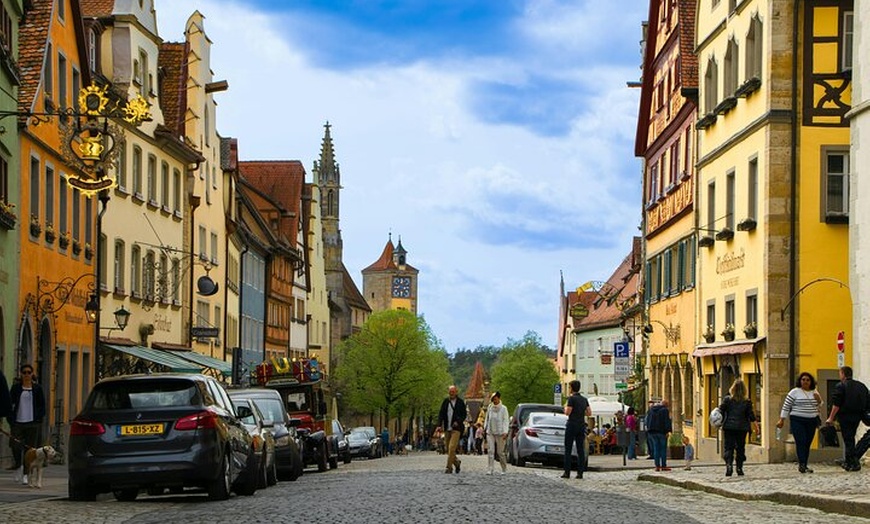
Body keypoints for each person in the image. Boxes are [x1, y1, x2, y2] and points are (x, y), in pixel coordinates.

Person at [825, 366, 870, 472]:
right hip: (858, 416)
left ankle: (853, 463)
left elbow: (836, 404)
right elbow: (868, 401)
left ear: (843, 374)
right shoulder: (861, 386)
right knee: (851, 438)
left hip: (845, 416)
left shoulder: (841, 386)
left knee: (848, 439)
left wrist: (830, 418)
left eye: (840, 373)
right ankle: (849, 462)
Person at [777, 372, 823, 473]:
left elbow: (819, 405)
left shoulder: (814, 392)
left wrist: (819, 400)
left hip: (811, 420)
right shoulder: (794, 392)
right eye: (803, 380)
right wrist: (782, 419)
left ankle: (805, 464)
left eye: (807, 380)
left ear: (811, 382)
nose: (805, 382)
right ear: (800, 381)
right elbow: (786, 406)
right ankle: (802, 464)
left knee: (807, 442)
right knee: (801, 441)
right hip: (797, 420)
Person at [9, 364, 46, 481]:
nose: (26, 375)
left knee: (29, 450)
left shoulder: (37, 389)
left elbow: (42, 405)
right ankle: (18, 466)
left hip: (32, 422)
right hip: (18, 422)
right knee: (15, 446)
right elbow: (10, 403)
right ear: (21, 374)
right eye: (24, 372)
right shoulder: (16, 388)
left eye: (28, 372)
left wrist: (38, 418)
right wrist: (11, 419)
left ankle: (26, 473)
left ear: (32, 374)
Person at [720, 379, 758, 477]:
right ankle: (739, 468)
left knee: (729, 447)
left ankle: (729, 466)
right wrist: (756, 426)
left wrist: (716, 421)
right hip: (742, 428)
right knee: (740, 448)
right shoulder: (747, 402)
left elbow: (720, 411)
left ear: (732, 389)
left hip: (729, 427)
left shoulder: (727, 400)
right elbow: (751, 415)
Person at [561, 379, 591, 479]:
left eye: (569, 387)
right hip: (581, 425)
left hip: (572, 424)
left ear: (572, 388)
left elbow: (568, 412)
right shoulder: (584, 399)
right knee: (580, 450)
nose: (569, 389)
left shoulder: (571, 399)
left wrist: (565, 408)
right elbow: (589, 413)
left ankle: (567, 472)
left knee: (568, 449)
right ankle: (580, 473)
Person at [438, 385, 467, 474]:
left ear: (456, 392)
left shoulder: (460, 402)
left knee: (451, 448)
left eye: (453, 392)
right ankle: (456, 462)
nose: (452, 393)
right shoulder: (446, 402)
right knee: (448, 449)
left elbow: (464, 415)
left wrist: (458, 421)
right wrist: (439, 425)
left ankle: (449, 467)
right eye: (450, 392)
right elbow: (441, 413)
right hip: (447, 428)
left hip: (456, 429)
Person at [483, 391, 509, 475]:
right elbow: (487, 418)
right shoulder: (490, 408)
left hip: (500, 432)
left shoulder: (504, 409)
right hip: (490, 432)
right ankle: (490, 469)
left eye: (495, 399)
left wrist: (505, 431)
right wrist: (485, 427)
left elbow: (506, 420)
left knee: (500, 452)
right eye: (493, 399)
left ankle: (504, 468)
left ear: (499, 398)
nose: (494, 401)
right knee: (490, 451)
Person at [645, 398, 672, 472]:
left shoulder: (651, 410)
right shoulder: (664, 410)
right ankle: (663, 465)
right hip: (662, 432)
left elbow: (647, 420)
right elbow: (667, 421)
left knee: (656, 448)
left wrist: (649, 429)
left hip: (652, 432)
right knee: (663, 449)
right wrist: (668, 431)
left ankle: (657, 466)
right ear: (666, 405)